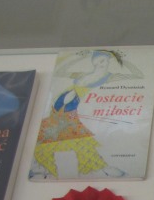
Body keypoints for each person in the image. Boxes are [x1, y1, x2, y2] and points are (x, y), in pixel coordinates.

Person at [31, 49, 140, 179]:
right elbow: (60, 72)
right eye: (97, 61)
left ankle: (101, 167)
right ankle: (43, 167)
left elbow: (138, 75)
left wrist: (123, 60)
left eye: (103, 60)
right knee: (44, 138)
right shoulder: (82, 74)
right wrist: (80, 57)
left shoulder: (109, 77)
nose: (100, 64)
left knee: (80, 140)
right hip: (59, 106)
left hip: (75, 109)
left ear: (109, 60)